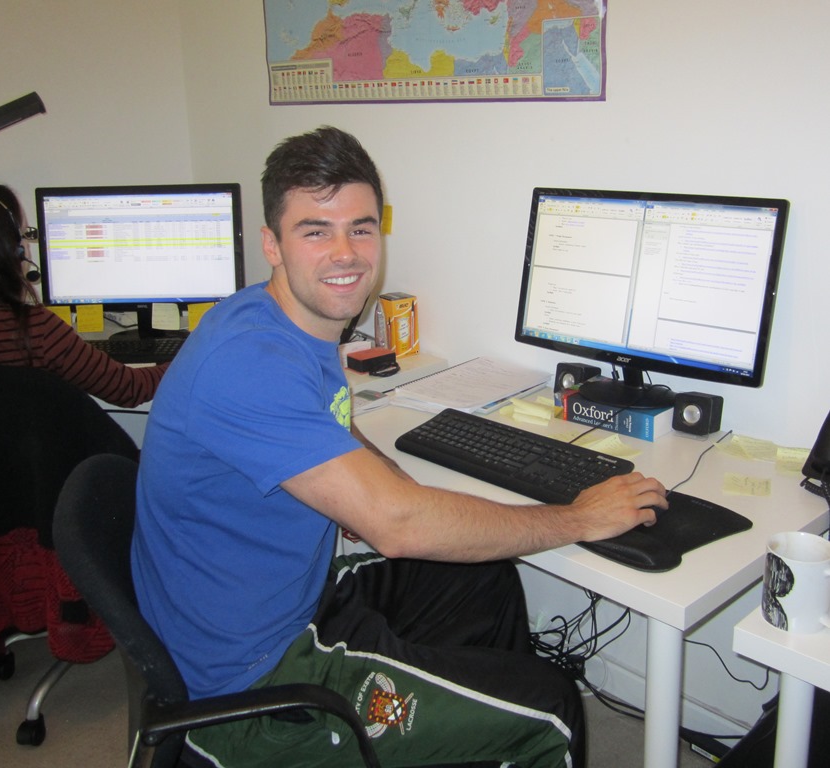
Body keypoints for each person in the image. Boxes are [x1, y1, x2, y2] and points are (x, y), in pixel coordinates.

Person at [131, 126, 668, 767]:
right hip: (257, 679)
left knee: (483, 580)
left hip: (285, 599)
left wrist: (374, 476)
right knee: (549, 709)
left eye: (360, 228)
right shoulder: (249, 361)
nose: (345, 254)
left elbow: (328, 420)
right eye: (315, 231)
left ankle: (463, 732)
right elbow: (397, 527)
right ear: (272, 244)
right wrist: (579, 518)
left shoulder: (283, 319)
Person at [0, 181, 167, 407]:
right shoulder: (34, 329)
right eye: (24, 236)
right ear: (11, 250)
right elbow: (131, 389)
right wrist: (193, 355)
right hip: (23, 463)